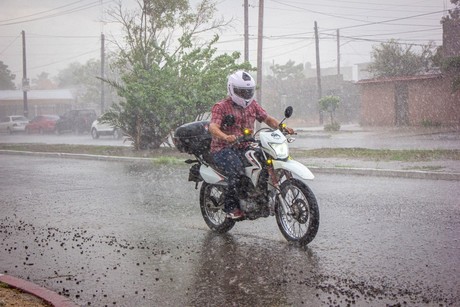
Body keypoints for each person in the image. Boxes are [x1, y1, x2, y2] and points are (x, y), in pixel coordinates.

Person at [209, 70, 294, 219]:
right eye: (241, 91)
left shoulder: (252, 105)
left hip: (245, 145)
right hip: (223, 148)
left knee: (266, 162)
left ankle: (259, 196)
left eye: (248, 91)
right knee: (237, 171)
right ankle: (231, 207)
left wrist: (282, 127)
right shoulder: (221, 106)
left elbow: (267, 119)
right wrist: (225, 136)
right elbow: (213, 127)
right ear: (231, 89)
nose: (245, 94)